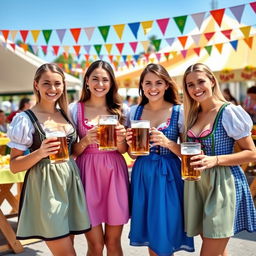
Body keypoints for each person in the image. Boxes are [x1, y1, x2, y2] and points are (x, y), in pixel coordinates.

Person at [7, 63, 91, 256]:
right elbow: (14, 166)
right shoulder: (25, 119)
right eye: (46, 83)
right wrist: (39, 152)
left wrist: (86, 141)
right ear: (36, 85)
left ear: (63, 85)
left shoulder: (66, 114)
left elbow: (73, 153)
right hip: (46, 190)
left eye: (57, 84)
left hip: (70, 185)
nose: (52, 89)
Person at [182, 63, 256, 256]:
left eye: (200, 81)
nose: (196, 88)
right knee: (218, 251)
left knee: (209, 252)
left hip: (224, 185)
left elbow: (252, 153)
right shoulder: (192, 115)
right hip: (198, 185)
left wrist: (214, 160)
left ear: (212, 81)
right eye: (190, 85)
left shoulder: (228, 112)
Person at [126, 63, 194, 256]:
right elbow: (132, 155)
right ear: (141, 86)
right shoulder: (133, 112)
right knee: (151, 229)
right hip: (143, 174)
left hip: (169, 175)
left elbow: (189, 151)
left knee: (165, 229)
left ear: (166, 85)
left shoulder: (179, 112)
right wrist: (132, 145)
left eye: (158, 82)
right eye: (148, 83)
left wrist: (168, 143)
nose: (153, 87)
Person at [69, 60, 129, 256]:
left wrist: (121, 139)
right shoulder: (74, 110)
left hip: (115, 174)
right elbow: (72, 152)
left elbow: (123, 150)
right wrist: (86, 140)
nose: (100, 84)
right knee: (95, 245)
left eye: (105, 79)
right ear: (87, 81)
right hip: (87, 174)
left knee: (113, 243)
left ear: (111, 83)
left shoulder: (121, 110)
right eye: (95, 78)